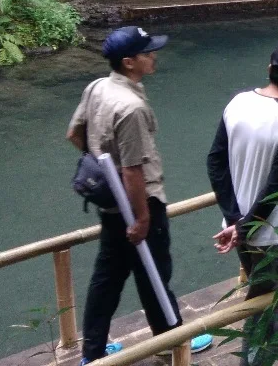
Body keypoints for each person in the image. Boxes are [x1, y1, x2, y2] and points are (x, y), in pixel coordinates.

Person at [66, 26, 212, 364]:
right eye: (148, 53)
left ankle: (93, 353)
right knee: (154, 274)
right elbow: (133, 169)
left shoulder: (98, 87)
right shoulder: (130, 106)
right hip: (139, 204)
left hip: (111, 205)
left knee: (107, 279)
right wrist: (142, 217)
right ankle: (171, 342)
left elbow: (74, 133)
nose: (154, 56)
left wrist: (103, 170)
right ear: (129, 61)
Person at [208, 39, 278, 366]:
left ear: (269, 69)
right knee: (265, 304)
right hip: (274, 231)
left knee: (273, 301)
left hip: (238, 226)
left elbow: (216, 161)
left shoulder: (238, 102)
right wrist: (245, 226)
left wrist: (233, 219)